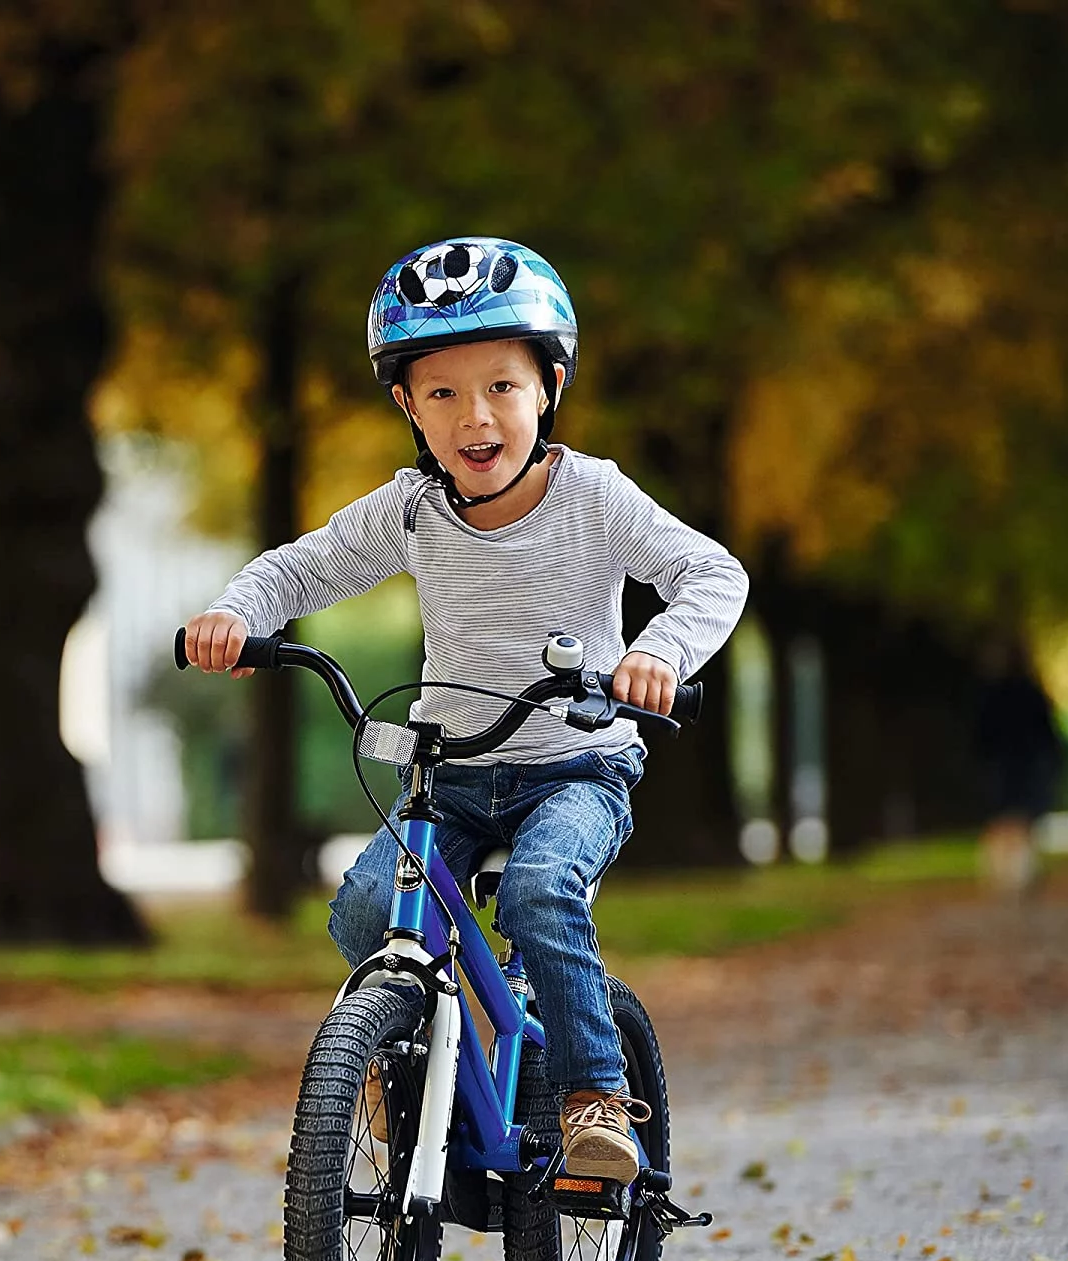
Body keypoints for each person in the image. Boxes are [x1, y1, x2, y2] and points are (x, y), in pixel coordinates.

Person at [185, 239, 748, 1184]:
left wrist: (657, 652)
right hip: (448, 775)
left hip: (578, 763)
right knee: (367, 909)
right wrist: (238, 613)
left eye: (500, 387)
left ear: (549, 389)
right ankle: (406, 1058)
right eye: (441, 394)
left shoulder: (594, 497)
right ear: (407, 406)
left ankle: (593, 1097)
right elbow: (302, 565)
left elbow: (710, 572)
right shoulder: (411, 512)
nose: (474, 417)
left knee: (538, 893)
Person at [975, 638, 1067, 897]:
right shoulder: (1030, 692)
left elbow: (980, 735)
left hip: (1004, 765)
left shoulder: (990, 693)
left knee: (1004, 819)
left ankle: (1006, 876)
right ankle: (1018, 875)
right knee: (1021, 821)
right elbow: (1048, 733)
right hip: (1025, 764)